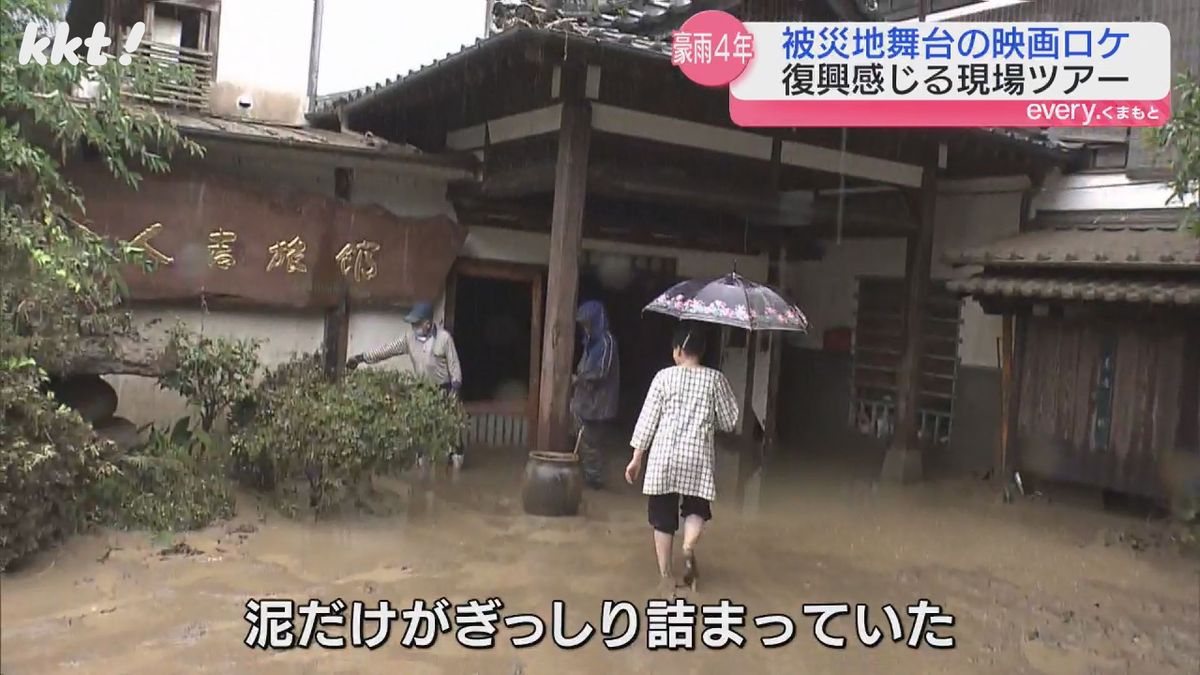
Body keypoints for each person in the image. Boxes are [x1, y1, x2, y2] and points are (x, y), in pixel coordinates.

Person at [625, 322, 738, 596]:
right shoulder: (715, 379)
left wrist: (636, 457)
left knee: (662, 517)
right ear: (702, 351)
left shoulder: (663, 377)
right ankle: (688, 547)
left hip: (664, 456)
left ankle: (666, 575)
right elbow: (730, 420)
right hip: (697, 456)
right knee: (696, 508)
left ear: (678, 350)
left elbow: (648, 420)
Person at [346, 301, 465, 468]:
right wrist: (361, 358)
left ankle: (457, 463)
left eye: (416, 324)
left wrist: (455, 389)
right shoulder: (409, 339)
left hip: (445, 389)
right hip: (423, 390)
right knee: (422, 430)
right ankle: (423, 465)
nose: (413, 327)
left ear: (427, 324)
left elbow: (454, 365)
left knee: (452, 431)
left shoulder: (444, 339)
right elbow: (387, 350)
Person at [570, 300, 620, 489]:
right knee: (583, 439)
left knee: (592, 443)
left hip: (599, 403)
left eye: (587, 323)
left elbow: (601, 372)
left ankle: (595, 481)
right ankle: (589, 476)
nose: (585, 328)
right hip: (586, 401)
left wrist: (579, 379)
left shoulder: (607, 342)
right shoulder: (590, 342)